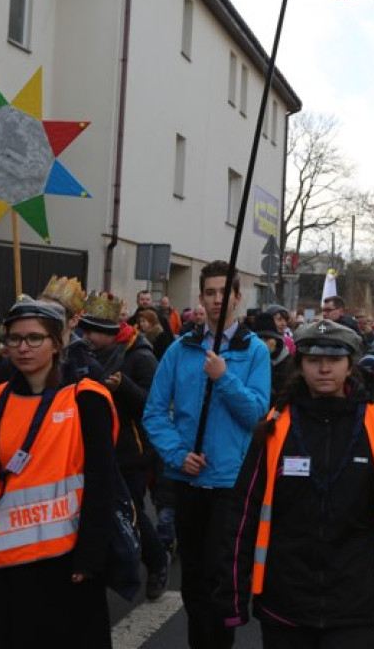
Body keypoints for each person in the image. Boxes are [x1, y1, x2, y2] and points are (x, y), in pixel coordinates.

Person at [217, 319, 374, 648]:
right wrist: (233, 587)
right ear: (300, 366)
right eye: (314, 360)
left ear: (350, 366)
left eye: (334, 360)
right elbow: (244, 510)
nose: (324, 369)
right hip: (285, 600)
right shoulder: (275, 426)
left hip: (355, 601)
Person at [0, 298, 118, 648]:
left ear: (57, 344)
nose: (23, 347)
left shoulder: (86, 400)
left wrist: (91, 557)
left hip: (63, 562)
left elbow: (102, 484)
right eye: (14, 339)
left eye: (34, 339)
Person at [142, 260, 270, 649]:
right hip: (188, 479)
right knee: (194, 577)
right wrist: (178, 454)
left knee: (222, 578)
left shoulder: (255, 350)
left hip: (231, 482)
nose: (217, 300)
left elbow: (256, 415)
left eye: (224, 292)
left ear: (237, 297)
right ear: (200, 298)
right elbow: (154, 412)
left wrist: (224, 377)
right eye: (210, 293)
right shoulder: (182, 350)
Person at [79, 292, 169, 601]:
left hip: (132, 450)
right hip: (97, 447)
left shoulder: (139, 355)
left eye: (92, 331)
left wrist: (124, 387)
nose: (86, 337)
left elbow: (155, 403)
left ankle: (156, 561)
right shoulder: (85, 356)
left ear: (110, 332)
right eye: (85, 330)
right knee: (103, 510)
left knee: (129, 512)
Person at [252, 311, 294, 404]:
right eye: (259, 339)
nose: (263, 343)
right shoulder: (248, 363)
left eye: (267, 339)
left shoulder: (289, 363)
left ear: (276, 340)